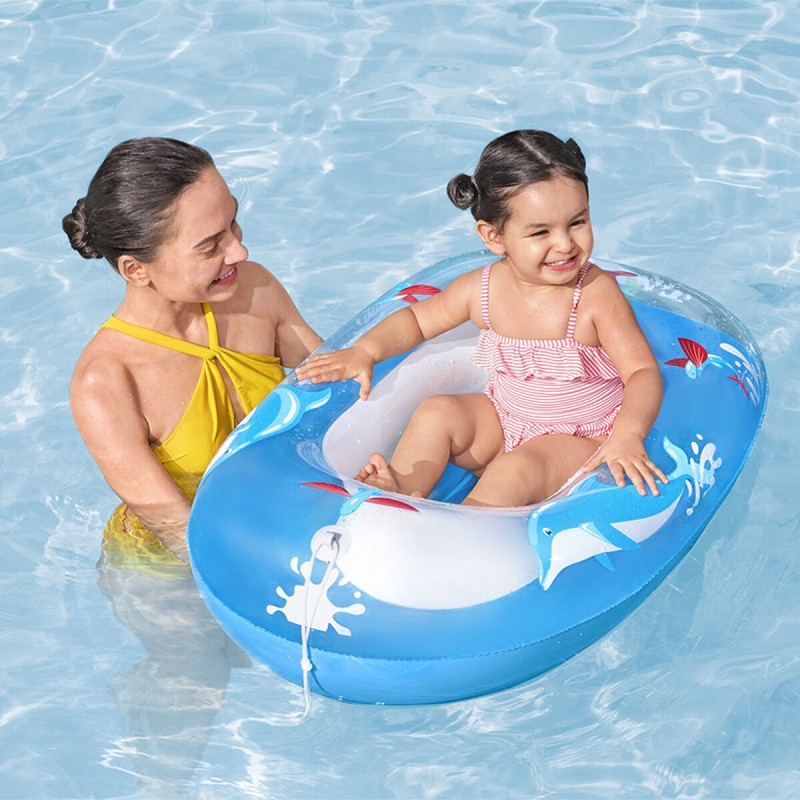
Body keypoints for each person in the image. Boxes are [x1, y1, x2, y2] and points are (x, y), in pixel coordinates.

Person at [296, 129, 667, 507]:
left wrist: (628, 434)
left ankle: (465, 526)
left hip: (579, 440)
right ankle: (404, 491)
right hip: (505, 420)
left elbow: (641, 371)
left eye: (577, 222)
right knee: (437, 412)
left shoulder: (594, 294)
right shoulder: (482, 289)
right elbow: (417, 322)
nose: (565, 244)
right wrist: (365, 351)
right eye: (541, 232)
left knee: (514, 470)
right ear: (493, 237)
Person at [65, 138, 322, 564]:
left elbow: (339, 385)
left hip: (284, 521)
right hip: (171, 572)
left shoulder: (253, 289)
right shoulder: (107, 381)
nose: (239, 251)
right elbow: (180, 535)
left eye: (234, 223)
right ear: (136, 269)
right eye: (210, 246)